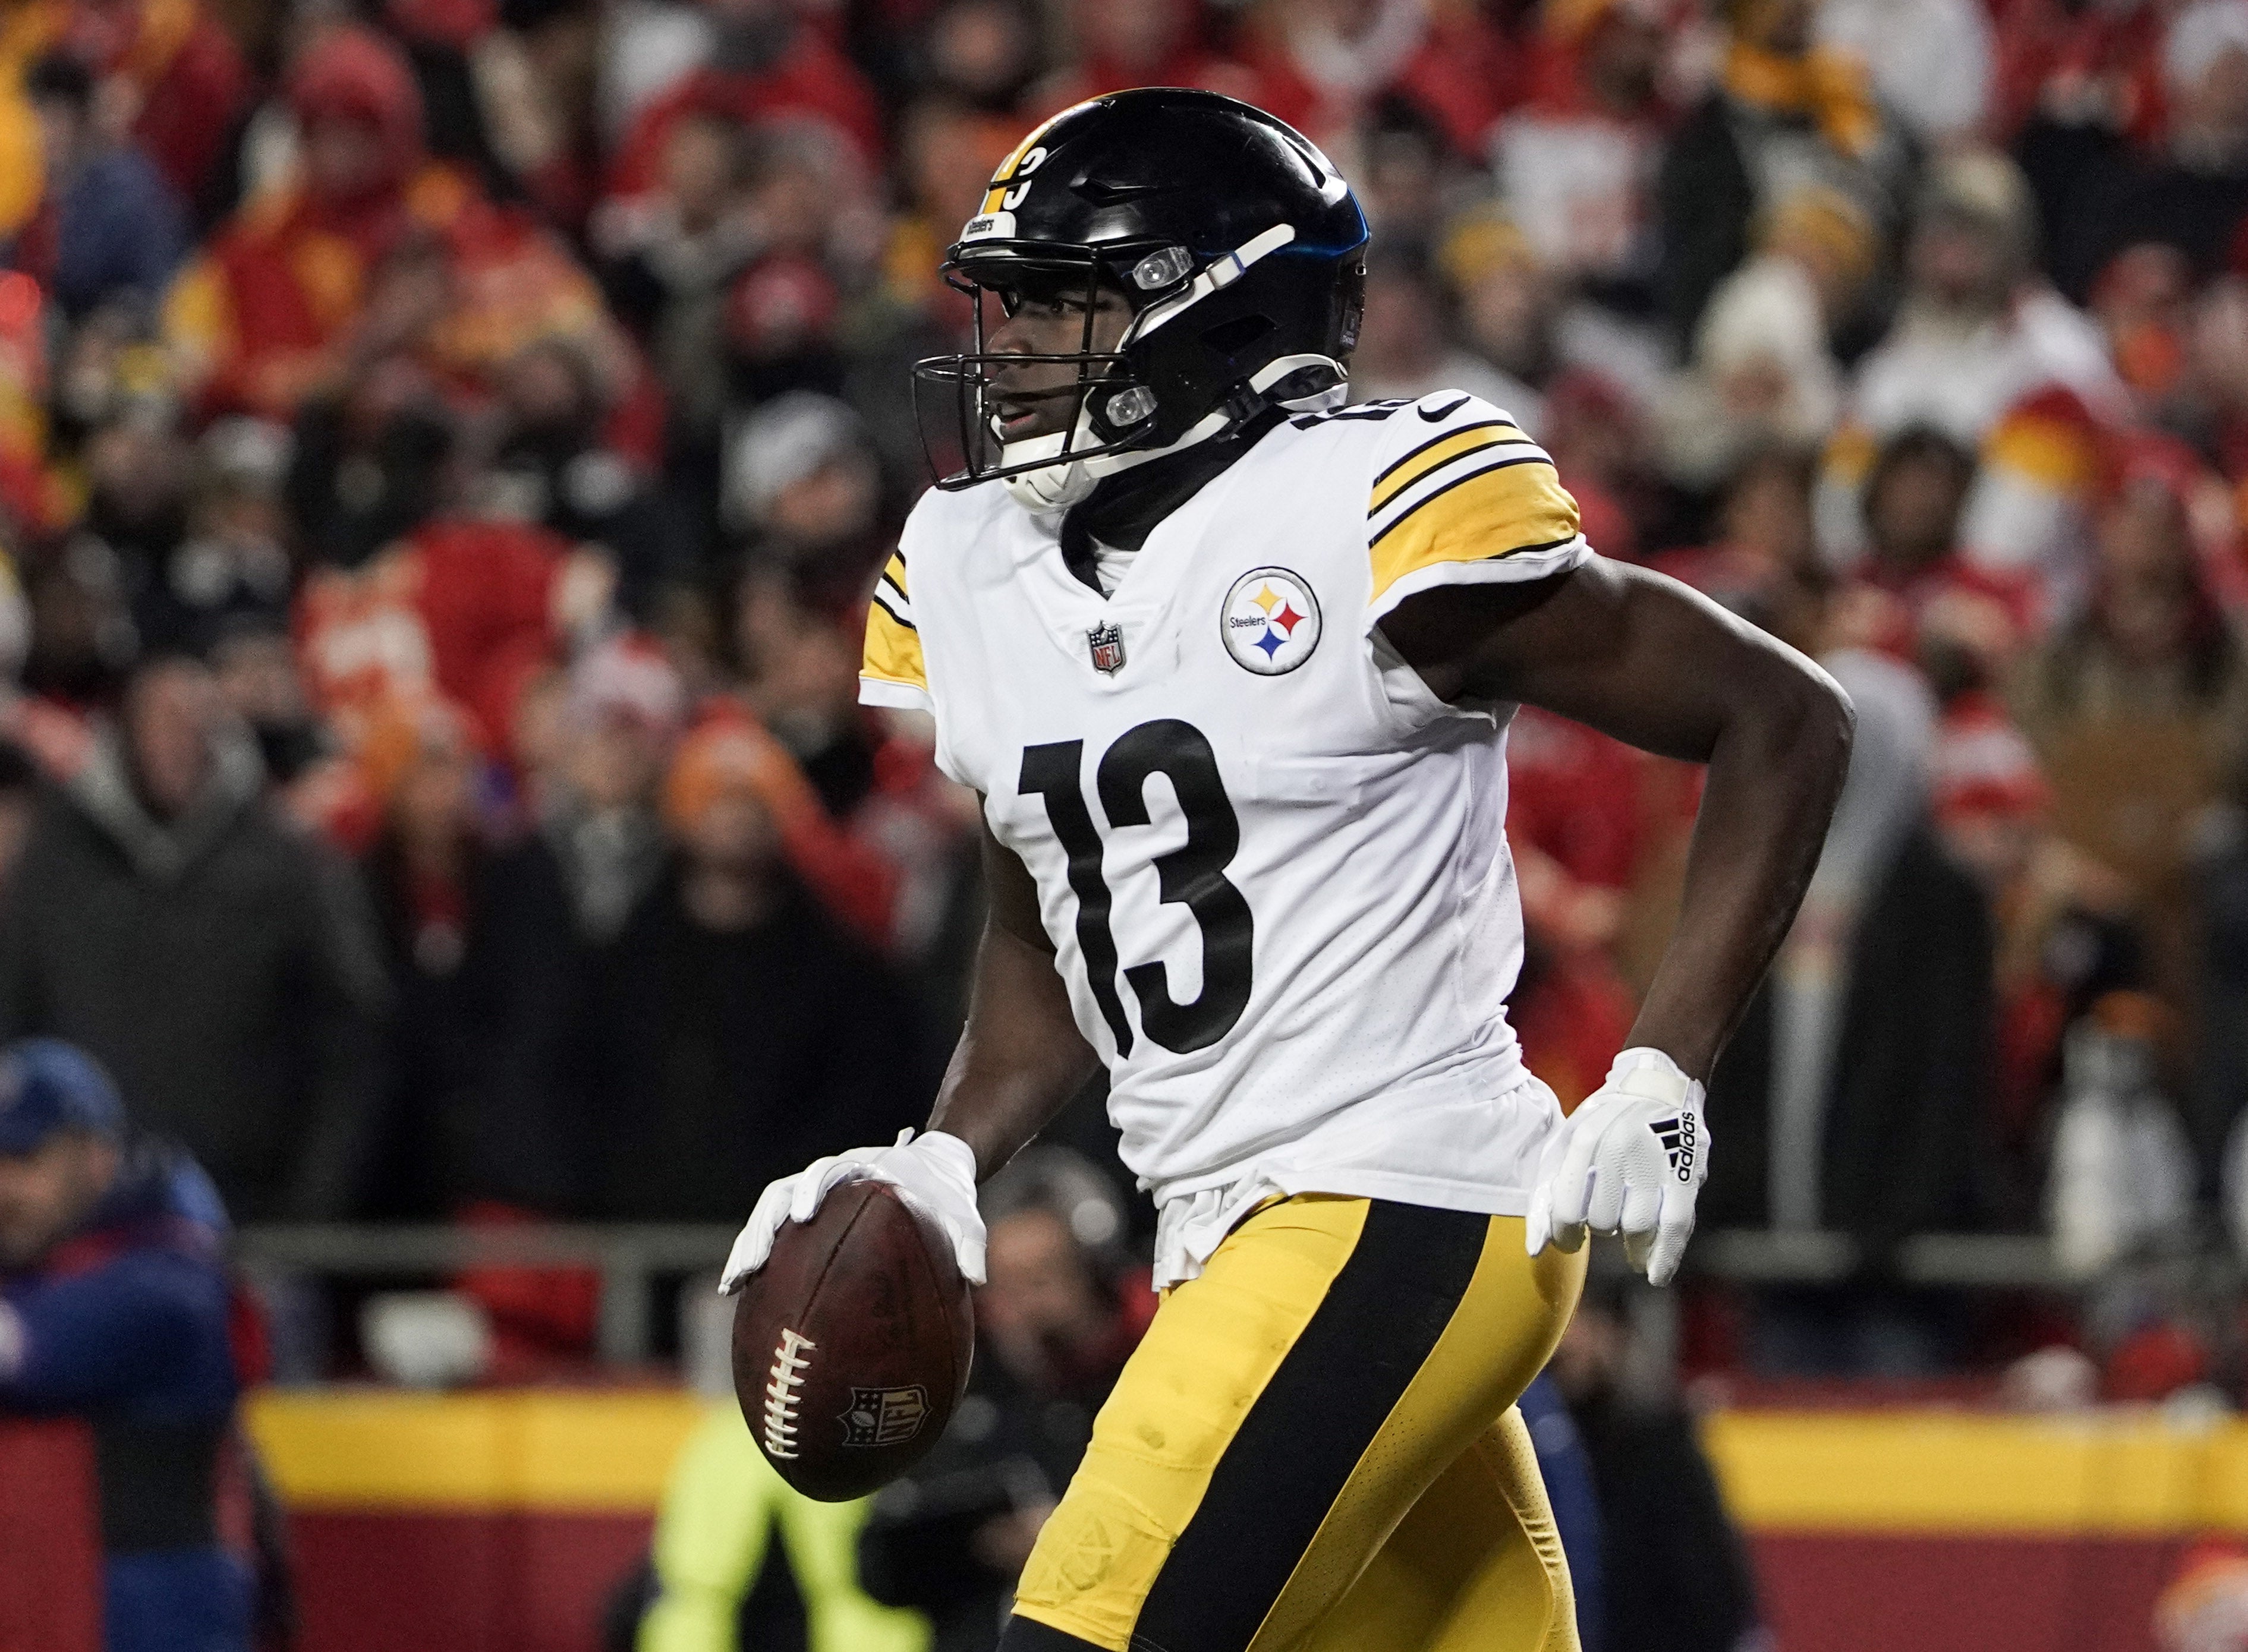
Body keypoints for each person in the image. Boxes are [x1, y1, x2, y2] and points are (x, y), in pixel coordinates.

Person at [722, 90, 1853, 1652]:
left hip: (1404, 1195)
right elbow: (1049, 923)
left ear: (1217, 314)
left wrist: (1660, 1064)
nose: (1009, 349)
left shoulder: (1365, 513)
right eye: (1007, 307)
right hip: (1231, 1233)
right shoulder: (966, 566)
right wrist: (941, 1154)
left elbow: (1778, 716)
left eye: (1062, 307)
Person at [0, 655, 391, 1221]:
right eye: (159, 721)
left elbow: (352, 1041)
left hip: (253, 1218)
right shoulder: (56, 866)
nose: (175, 742)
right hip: (83, 1226)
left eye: (192, 722)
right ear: (125, 729)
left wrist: (312, 1206)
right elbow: (13, 1022)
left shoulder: (288, 863)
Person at [0, 1039, 253, 1652]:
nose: (3, 1186)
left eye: (26, 1157)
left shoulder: (167, 1278)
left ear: (98, 1156)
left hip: (155, 1622)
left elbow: (22, 1347)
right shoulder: (37, 1265)